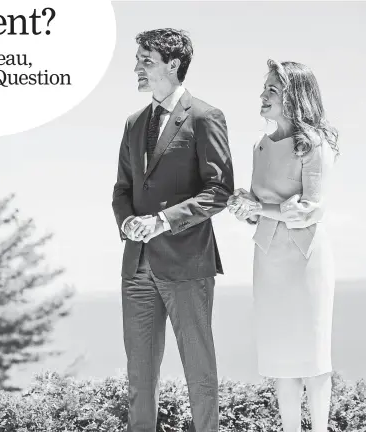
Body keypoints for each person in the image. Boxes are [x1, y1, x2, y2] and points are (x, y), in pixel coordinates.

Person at [112, 28, 234, 432]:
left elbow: (218, 190)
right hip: (138, 264)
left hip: (187, 262)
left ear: (173, 64)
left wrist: (162, 221)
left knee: (199, 374)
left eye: (145, 60)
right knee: (139, 376)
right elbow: (123, 189)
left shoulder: (205, 116)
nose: (136, 68)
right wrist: (128, 221)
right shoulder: (133, 123)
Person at [228, 59, 339, 432]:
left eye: (272, 90)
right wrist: (243, 207)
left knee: (313, 355)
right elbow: (263, 212)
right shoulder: (260, 145)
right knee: (280, 356)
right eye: (265, 88)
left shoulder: (315, 144)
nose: (262, 95)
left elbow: (311, 209)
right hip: (268, 257)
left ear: (294, 98)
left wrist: (259, 207)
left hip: (306, 259)